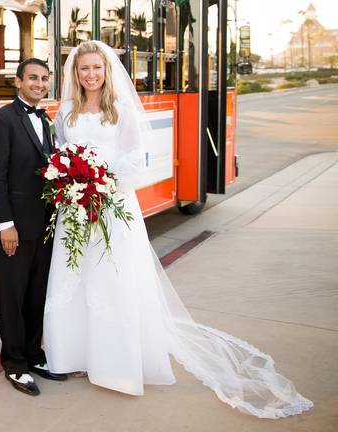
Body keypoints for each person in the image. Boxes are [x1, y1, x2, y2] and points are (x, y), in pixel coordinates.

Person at [42, 40, 312, 418]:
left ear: (107, 71)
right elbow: (59, 154)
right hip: (75, 210)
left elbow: (138, 160)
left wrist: (101, 182)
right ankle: (75, 354)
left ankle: (113, 361)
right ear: (75, 72)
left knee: (111, 278)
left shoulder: (119, 110)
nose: (90, 75)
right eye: (84, 68)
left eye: (96, 68)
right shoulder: (66, 110)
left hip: (112, 205)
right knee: (77, 277)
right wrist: (72, 183)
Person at [0, 57, 67, 396]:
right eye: (32, 78)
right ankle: (15, 364)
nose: (40, 84)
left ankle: (34, 354)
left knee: (36, 295)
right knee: (11, 298)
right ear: (18, 81)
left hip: (43, 225)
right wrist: (6, 225)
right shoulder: (0, 119)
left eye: (45, 79)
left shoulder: (46, 119)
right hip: (13, 228)